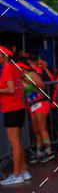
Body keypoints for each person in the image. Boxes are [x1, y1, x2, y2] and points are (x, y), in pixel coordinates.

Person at [0, 47, 29, 184]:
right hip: (18, 107)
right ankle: (23, 171)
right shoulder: (14, 68)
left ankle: (16, 174)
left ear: (4, 56)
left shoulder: (7, 69)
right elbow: (21, 88)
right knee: (17, 142)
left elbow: (11, 89)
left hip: (11, 109)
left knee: (14, 142)